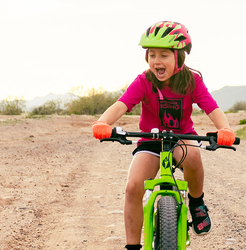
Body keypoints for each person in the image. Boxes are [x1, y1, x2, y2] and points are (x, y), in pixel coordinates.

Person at [91, 21, 235, 250]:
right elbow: (121, 104)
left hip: (181, 139)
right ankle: (132, 247)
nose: (156, 61)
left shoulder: (191, 81)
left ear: (179, 58)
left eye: (164, 55)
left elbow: (211, 107)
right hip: (150, 141)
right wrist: (102, 123)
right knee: (133, 187)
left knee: (194, 157)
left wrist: (224, 129)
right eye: (152, 55)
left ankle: (197, 203)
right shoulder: (144, 81)